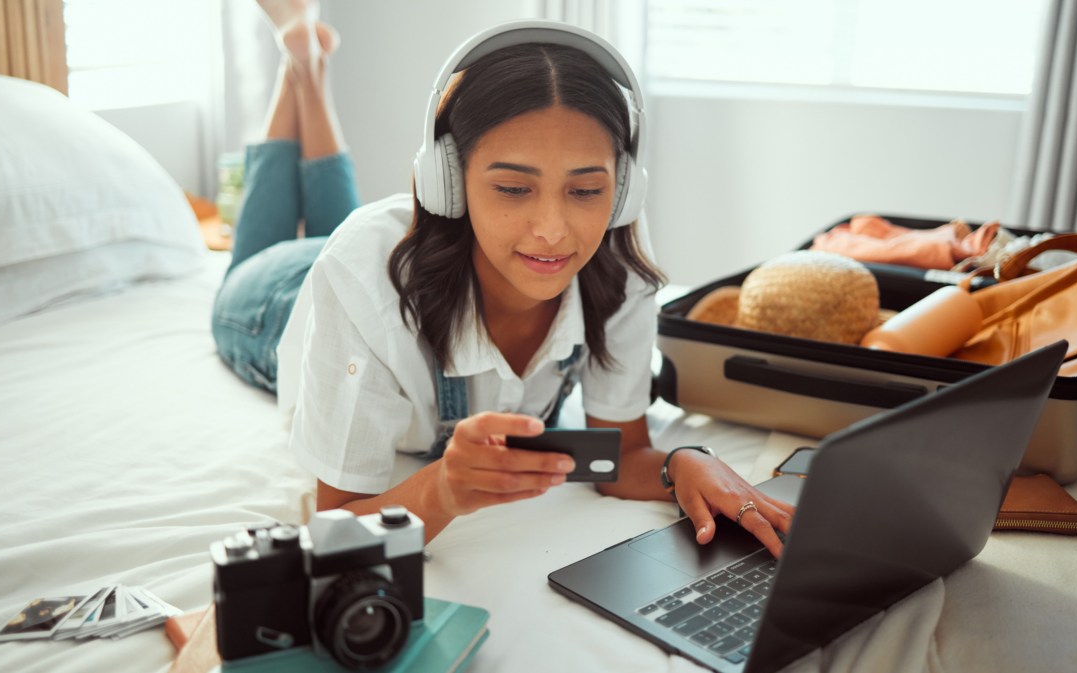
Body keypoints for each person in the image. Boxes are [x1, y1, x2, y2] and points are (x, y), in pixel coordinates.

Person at [213, 2, 794, 556]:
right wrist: (441, 490)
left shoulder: (616, 269)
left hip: (374, 253)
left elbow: (624, 450)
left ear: (622, 192)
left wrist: (681, 462)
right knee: (265, 250)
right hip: (271, 303)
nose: (553, 231)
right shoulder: (361, 277)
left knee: (336, 216)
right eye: (514, 189)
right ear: (449, 180)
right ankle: (302, 65)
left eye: (586, 191)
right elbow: (337, 525)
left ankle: (305, 64)